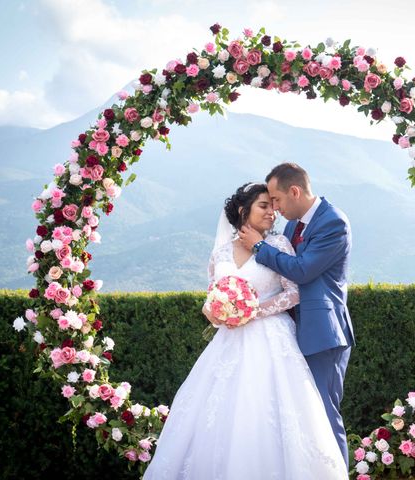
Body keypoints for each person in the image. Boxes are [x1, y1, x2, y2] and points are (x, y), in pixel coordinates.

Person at [143, 182, 348, 480]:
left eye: (273, 206)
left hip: (272, 339)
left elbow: (294, 293)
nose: (272, 213)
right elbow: (211, 298)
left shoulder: (278, 245)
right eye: (264, 206)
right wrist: (217, 312)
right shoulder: (221, 254)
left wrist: (253, 312)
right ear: (243, 211)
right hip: (229, 342)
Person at [239, 163, 355, 467]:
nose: (274, 209)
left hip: (323, 332)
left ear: (294, 191)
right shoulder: (292, 227)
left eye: (276, 200)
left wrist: (260, 248)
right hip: (291, 334)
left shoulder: (333, 222)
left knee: (324, 414)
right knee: (301, 418)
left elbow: (303, 271)